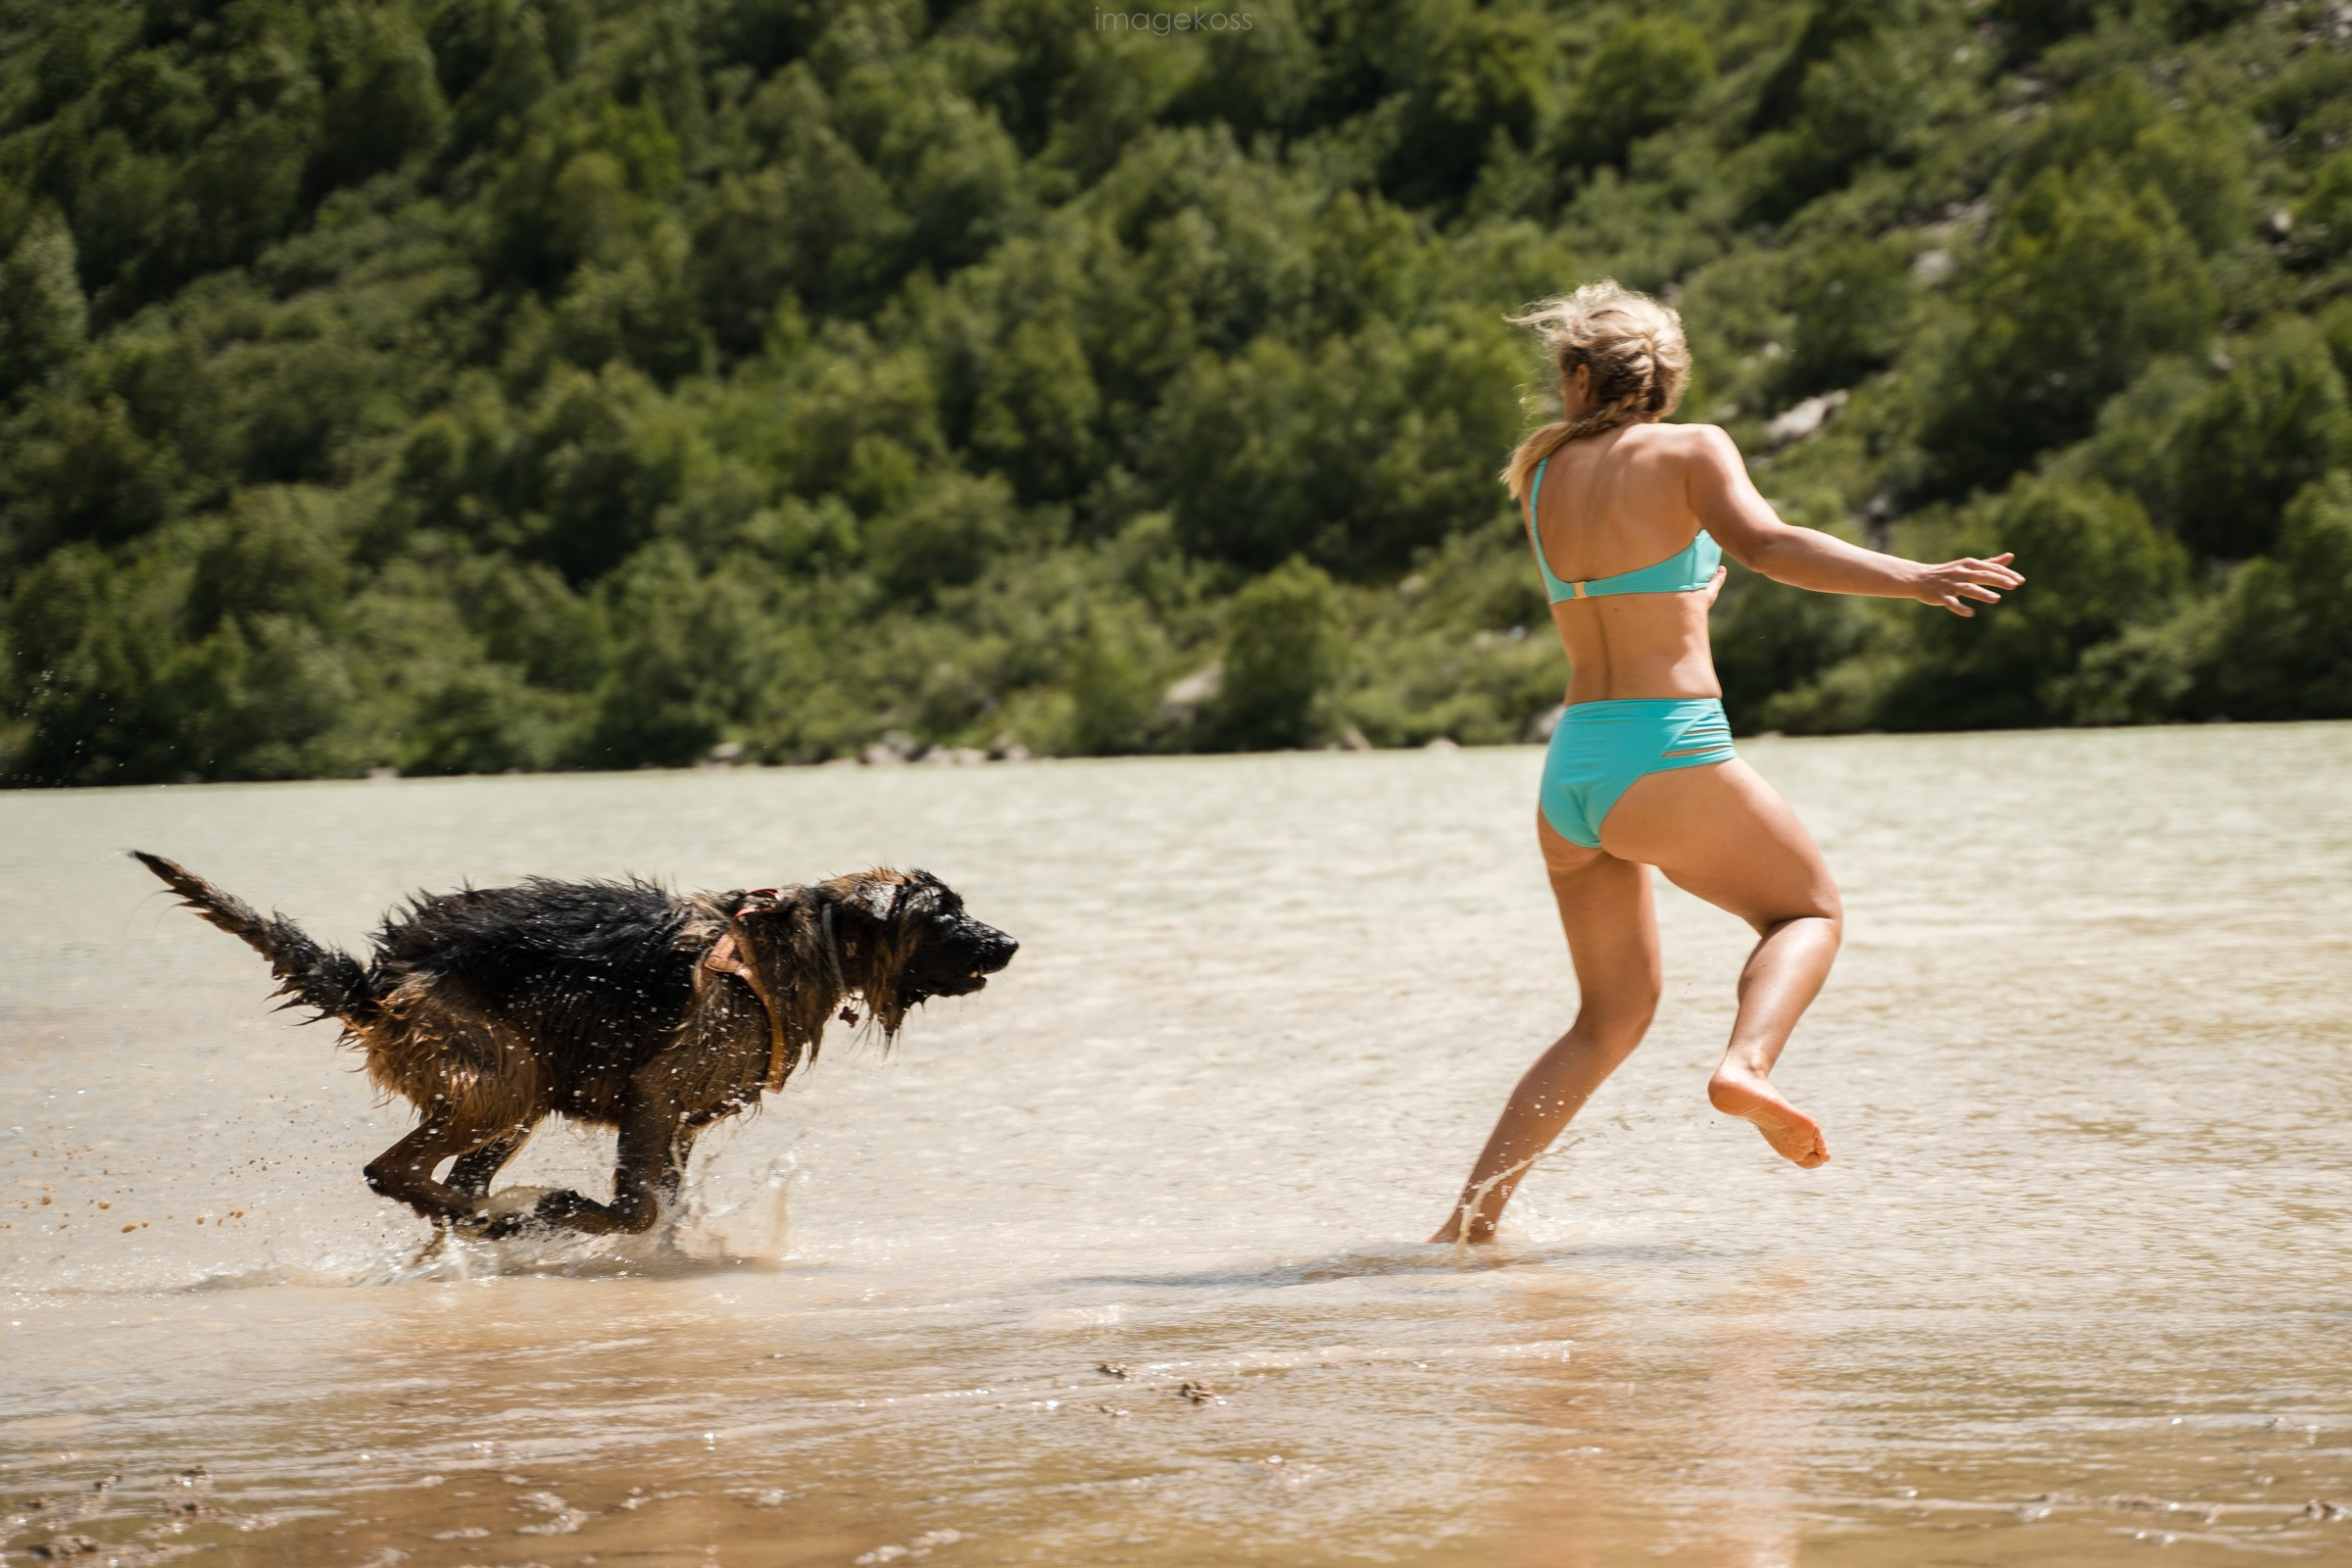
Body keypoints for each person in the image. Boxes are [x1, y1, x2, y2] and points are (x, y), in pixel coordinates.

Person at [1431, 281, 2023, 1246]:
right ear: (1666, 381)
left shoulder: (1540, 475)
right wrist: (1913, 576)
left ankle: (1468, 1226)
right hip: (1668, 751)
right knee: (1807, 912)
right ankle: (1746, 1064)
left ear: (1577, 377)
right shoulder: (1694, 449)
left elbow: (1641, 588)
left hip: (1574, 771)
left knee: (1607, 1018)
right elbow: (1769, 544)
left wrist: (1692, 588)